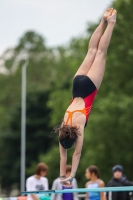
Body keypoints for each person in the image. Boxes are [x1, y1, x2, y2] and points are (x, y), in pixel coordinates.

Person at [53, 8, 117, 186]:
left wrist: (71, 176)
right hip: (77, 84)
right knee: (90, 51)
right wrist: (61, 177)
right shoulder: (63, 127)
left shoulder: (79, 126)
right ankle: (102, 21)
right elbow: (62, 157)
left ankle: (111, 23)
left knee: (101, 53)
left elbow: (76, 154)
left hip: (89, 87)